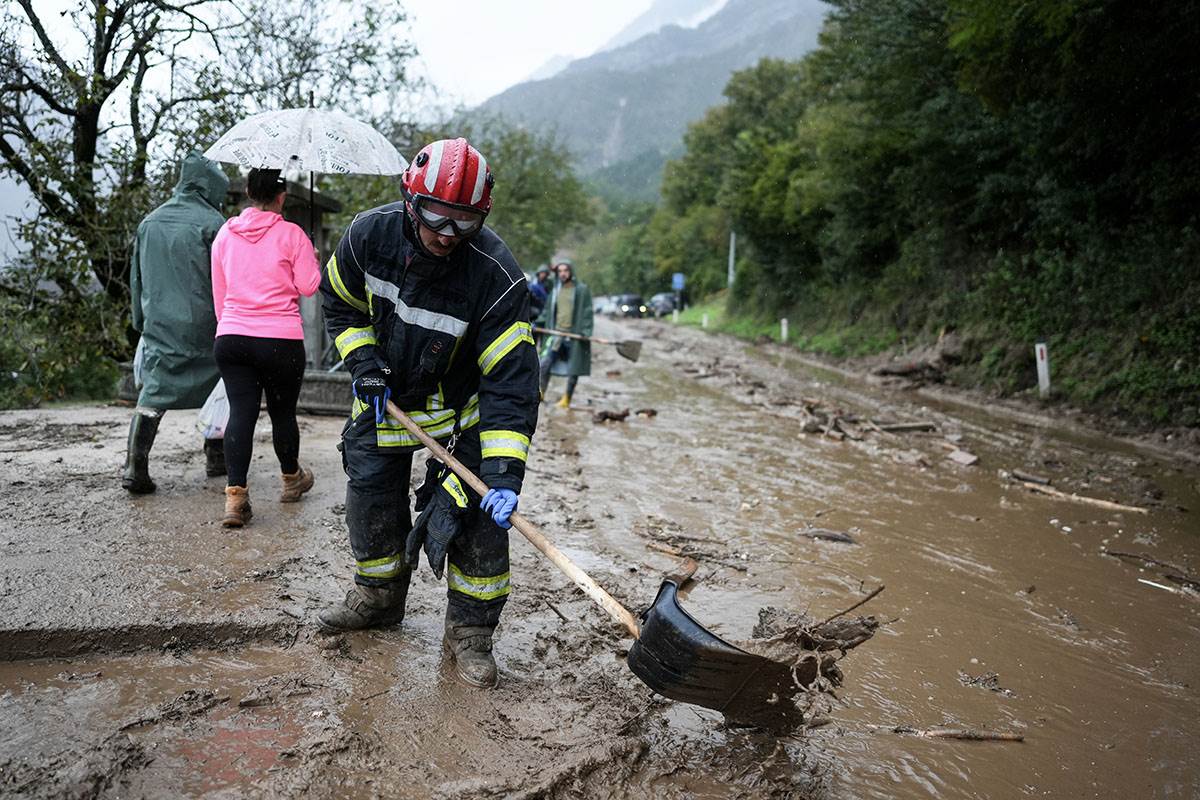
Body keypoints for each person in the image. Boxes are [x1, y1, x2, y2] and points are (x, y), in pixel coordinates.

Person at [317, 137, 539, 690]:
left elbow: (509, 385)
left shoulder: (497, 277)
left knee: (480, 515)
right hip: (384, 396)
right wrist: (364, 363)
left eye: (463, 224)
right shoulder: (367, 236)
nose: (446, 234)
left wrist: (504, 476)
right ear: (409, 200)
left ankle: (469, 634)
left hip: (461, 412)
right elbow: (338, 302)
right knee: (370, 493)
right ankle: (378, 598)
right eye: (435, 216)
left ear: (480, 219)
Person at [209, 168, 321, 527]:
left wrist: (230, 326)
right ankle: (291, 481)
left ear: (246, 191)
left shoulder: (224, 234)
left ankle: (235, 499)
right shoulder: (293, 234)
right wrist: (311, 255)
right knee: (282, 413)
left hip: (232, 336)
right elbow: (308, 286)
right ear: (282, 195)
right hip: (280, 339)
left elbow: (219, 295)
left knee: (241, 413)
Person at [123, 150, 230, 494]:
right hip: (208, 326)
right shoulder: (215, 225)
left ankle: (134, 465)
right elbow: (225, 279)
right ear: (210, 187)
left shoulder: (149, 222)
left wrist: (141, 322)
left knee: (153, 394)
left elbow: (136, 280)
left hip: (160, 326)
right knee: (221, 393)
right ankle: (217, 457)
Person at [538, 259, 593, 408]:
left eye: (565, 270)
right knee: (545, 363)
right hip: (556, 334)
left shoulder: (581, 290)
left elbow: (587, 312)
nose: (563, 274)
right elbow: (548, 311)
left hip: (574, 336)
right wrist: (538, 322)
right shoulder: (555, 290)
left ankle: (566, 398)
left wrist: (586, 331)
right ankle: (541, 393)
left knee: (573, 369)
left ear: (571, 271)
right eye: (560, 271)